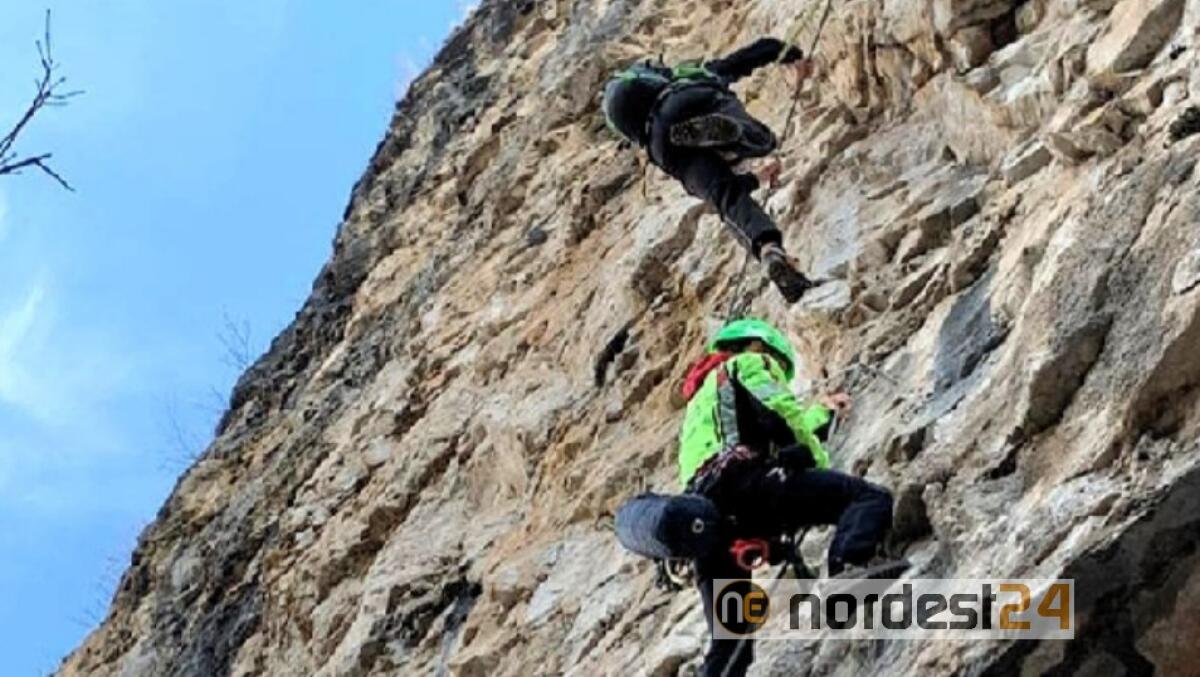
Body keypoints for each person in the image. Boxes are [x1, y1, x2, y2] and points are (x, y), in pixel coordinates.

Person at [676, 318, 894, 677]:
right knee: (866, 498)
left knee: (731, 641)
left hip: (708, 521)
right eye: (777, 363)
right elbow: (780, 408)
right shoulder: (749, 362)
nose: (776, 370)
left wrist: (822, 413)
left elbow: (762, 429)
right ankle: (845, 577)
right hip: (748, 486)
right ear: (757, 345)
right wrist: (818, 463)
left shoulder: (697, 408)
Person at [602, 38, 817, 303]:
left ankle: (770, 252)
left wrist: (754, 180)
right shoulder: (693, 77)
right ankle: (733, 132)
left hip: (662, 144)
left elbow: (727, 190)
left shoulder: (651, 145)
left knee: (726, 199)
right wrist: (794, 56)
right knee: (764, 141)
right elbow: (756, 52)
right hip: (688, 99)